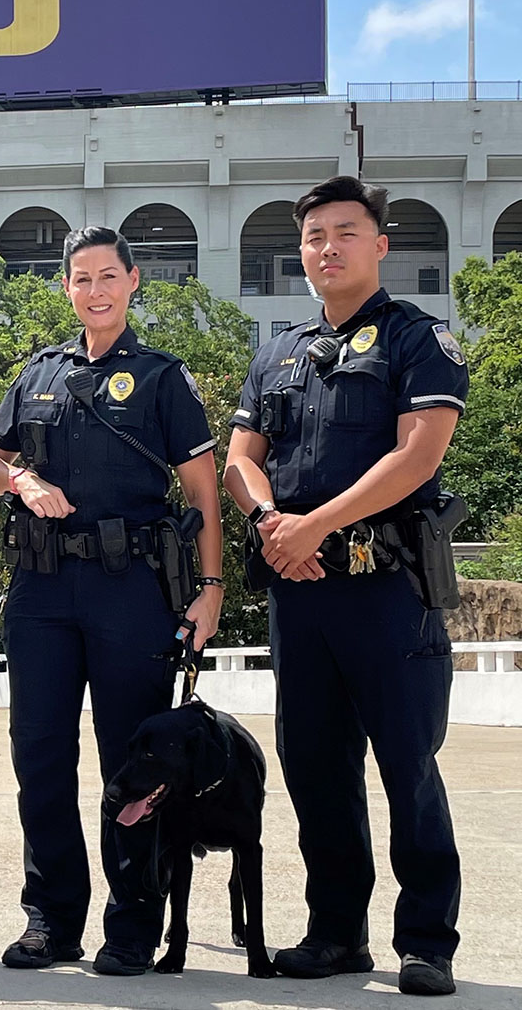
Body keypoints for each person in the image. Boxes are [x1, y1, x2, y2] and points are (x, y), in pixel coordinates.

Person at [224, 175, 468, 997]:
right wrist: (270, 525)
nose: (327, 247)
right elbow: (240, 461)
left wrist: (315, 523)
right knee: (315, 766)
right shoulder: (279, 350)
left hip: (386, 583)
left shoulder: (418, 340)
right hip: (300, 585)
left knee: (408, 763)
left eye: (345, 232)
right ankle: (336, 932)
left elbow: (416, 456)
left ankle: (427, 939)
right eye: (314, 236)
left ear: (379, 245)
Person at [0, 225, 224, 977]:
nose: (96, 290)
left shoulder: (161, 376)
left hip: (130, 589)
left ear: (133, 279)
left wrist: (211, 590)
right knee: (40, 756)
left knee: (134, 763)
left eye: (108, 275)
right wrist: (21, 479)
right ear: (66, 289)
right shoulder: (37, 373)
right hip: (42, 591)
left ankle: (133, 923)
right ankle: (51, 919)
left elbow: (204, 492)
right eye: (81, 278)